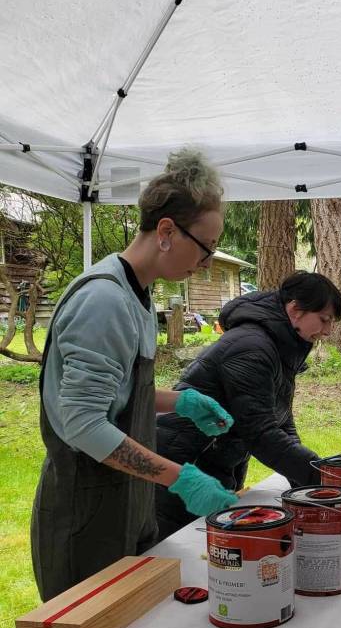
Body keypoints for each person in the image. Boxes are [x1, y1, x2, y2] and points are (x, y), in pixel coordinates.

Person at [31, 149, 238, 602]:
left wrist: (180, 401)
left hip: (129, 503)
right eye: (204, 249)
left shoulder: (138, 297)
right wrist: (179, 477)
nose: (205, 264)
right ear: (166, 231)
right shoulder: (104, 300)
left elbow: (122, 393)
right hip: (85, 514)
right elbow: (84, 424)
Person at [155, 271, 341, 541]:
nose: (327, 331)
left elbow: (281, 421)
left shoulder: (282, 346)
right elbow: (261, 433)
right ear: (295, 310)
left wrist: (304, 483)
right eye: (324, 320)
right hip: (185, 465)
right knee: (177, 551)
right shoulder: (252, 347)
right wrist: (322, 477)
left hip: (217, 461)